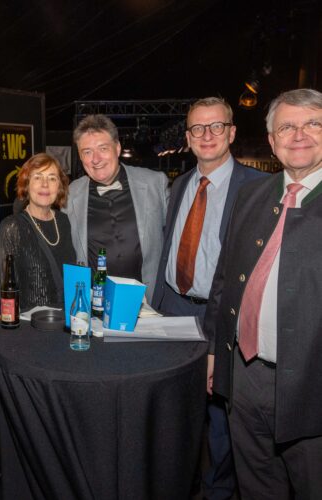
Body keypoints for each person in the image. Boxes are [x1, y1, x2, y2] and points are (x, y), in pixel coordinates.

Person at [204, 88, 322, 499]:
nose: (299, 134)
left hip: (312, 388)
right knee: (256, 488)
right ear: (272, 141)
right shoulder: (252, 195)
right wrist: (216, 352)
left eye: (313, 123)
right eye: (286, 127)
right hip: (245, 377)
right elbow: (224, 279)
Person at [152, 97, 265, 499]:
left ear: (232, 133)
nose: (207, 135)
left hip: (223, 316)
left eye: (216, 126)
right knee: (175, 412)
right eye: (197, 128)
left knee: (221, 416)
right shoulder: (179, 184)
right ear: (187, 138)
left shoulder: (257, 188)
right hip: (172, 311)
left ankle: (217, 490)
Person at [65, 114, 168, 303]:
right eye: (87, 152)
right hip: (93, 303)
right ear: (80, 156)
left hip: (146, 302)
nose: (96, 159)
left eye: (103, 148)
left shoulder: (155, 183)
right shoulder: (70, 194)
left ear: (118, 148)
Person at [0, 152, 76, 311]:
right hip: (31, 323)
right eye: (38, 177)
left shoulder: (64, 222)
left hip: (68, 318)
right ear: (26, 185)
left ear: (59, 187)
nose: (45, 184)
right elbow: (5, 290)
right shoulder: (12, 227)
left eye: (52, 178)